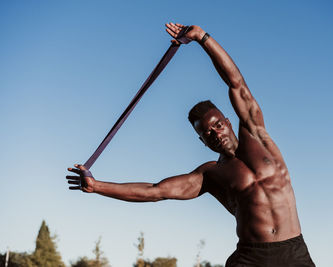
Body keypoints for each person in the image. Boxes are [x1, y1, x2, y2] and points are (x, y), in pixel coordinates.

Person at [66, 22, 315, 267]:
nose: (215, 133)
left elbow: (236, 83)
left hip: (293, 253)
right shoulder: (211, 174)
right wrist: (98, 186)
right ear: (203, 141)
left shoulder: (257, 136)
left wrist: (202, 37)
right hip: (251, 257)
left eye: (217, 125)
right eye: (207, 133)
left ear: (228, 121)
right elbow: (156, 191)